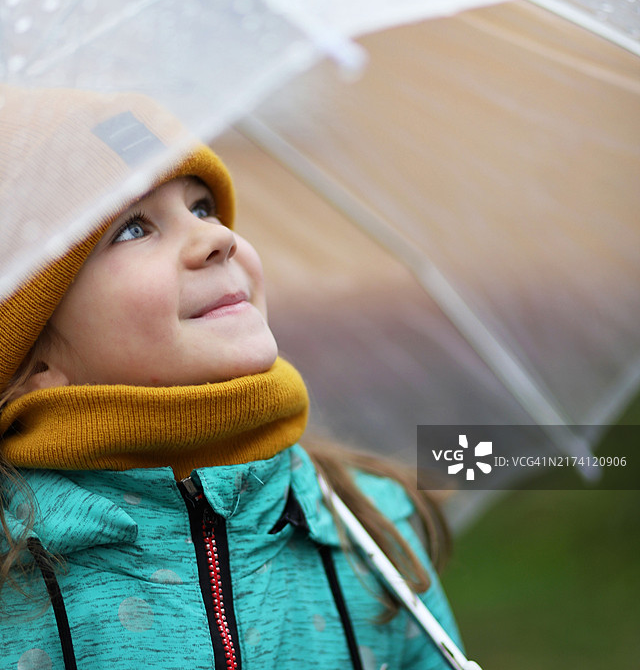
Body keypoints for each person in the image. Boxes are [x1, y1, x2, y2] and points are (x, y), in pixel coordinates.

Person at [0, 85, 463, 669]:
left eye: (202, 207)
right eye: (133, 228)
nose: (218, 238)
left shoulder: (364, 527)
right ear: (34, 357)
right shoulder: (13, 583)